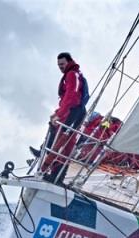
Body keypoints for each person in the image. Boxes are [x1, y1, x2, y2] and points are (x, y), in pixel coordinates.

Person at [35, 52, 90, 182]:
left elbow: (72, 96)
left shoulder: (72, 74)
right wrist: (57, 112)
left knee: (64, 144)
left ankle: (56, 176)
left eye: (62, 64)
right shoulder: (72, 74)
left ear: (69, 62)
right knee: (60, 141)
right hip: (72, 111)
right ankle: (47, 158)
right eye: (58, 65)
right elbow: (68, 98)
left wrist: (59, 114)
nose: (60, 67)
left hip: (75, 112)